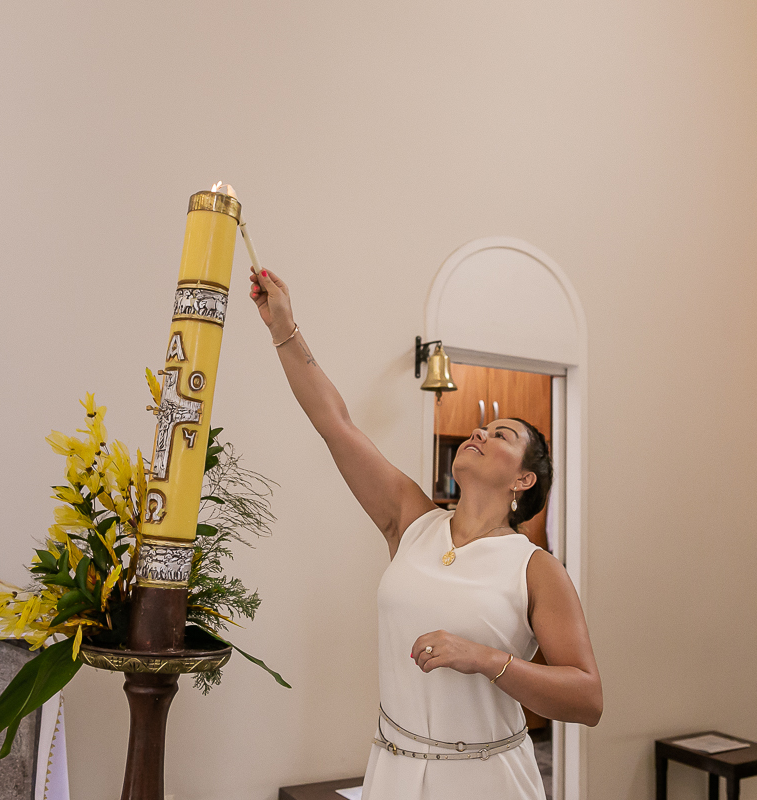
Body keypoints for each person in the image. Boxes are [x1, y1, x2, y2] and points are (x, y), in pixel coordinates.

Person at [249, 268, 603, 799]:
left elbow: (587, 698)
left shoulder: (534, 567)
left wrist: (486, 659)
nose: (480, 431)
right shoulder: (411, 520)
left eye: (501, 434)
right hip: (393, 771)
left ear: (523, 479)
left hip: (488, 781)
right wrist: (285, 329)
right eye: (482, 428)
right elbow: (335, 422)